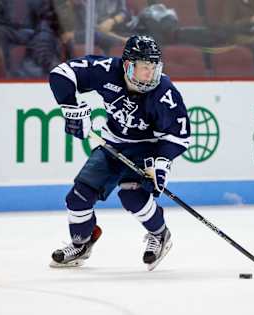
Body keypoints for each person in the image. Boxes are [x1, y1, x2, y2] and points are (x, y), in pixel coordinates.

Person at [48, 35, 191, 271]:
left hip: (147, 147)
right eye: (144, 67)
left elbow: (179, 136)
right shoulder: (106, 70)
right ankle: (81, 243)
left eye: (153, 67)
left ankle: (160, 234)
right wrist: (71, 106)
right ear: (127, 65)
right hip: (112, 143)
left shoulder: (165, 93)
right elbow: (61, 73)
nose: (149, 73)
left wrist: (162, 163)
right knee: (78, 197)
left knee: (132, 197)